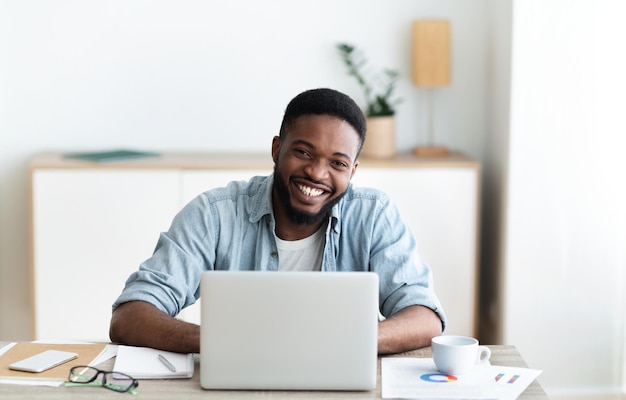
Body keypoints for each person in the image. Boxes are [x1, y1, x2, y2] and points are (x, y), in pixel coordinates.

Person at [109, 88, 446, 355]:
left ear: (353, 171)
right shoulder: (215, 214)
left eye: (338, 163)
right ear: (277, 148)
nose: (316, 173)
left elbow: (424, 317)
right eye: (303, 152)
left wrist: (348, 342)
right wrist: (225, 343)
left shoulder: (375, 214)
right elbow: (130, 317)